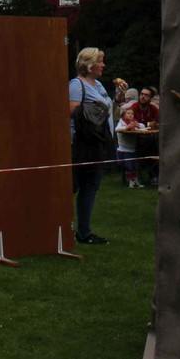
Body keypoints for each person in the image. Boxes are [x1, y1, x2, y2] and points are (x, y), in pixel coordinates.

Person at [69, 47, 114, 246]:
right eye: (100, 61)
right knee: (77, 186)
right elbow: (72, 110)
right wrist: (100, 110)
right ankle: (75, 231)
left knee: (91, 187)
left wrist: (117, 100)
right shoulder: (77, 85)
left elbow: (106, 108)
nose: (103, 65)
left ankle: (84, 232)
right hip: (83, 144)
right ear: (89, 64)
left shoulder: (98, 85)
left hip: (99, 143)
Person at [115, 104, 142, 187]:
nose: (131, 115)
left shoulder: (134, 122)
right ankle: (129, 181)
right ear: (124, 115)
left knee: (135, 166)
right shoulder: (121, 123)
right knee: (128, 166)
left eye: (132, 114)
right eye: (128, 113)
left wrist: (138, 125)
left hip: (132, 148)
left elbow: (142, 126)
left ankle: (136, 180)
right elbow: (117, 129)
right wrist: (126, 127)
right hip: (124, 149)